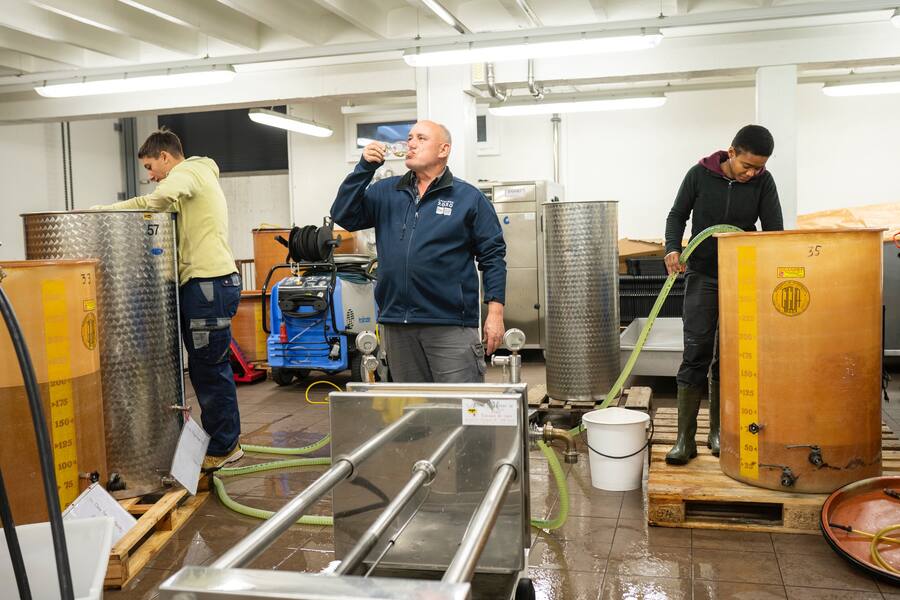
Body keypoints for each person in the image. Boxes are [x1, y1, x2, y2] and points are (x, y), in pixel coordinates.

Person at [91, 128, 243, 470]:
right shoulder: (196, 178)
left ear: (165, 157)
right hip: (205, 284)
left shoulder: (189, 172)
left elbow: (155, 202)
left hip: (207, 285)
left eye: (150, 167)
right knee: (206, 368)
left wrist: (108, 212)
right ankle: (225, 439)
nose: (150, 176)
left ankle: (225, 446)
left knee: (209, 370)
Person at [331, 120, 506, 383]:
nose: (411, 143)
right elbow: (343, 215)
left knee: (460, 403)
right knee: (414, 405)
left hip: (449, 324)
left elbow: (493, 257)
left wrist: (495, 313)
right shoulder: (386, 192)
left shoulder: (468, 198)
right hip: (397, 324)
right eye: (410, 138)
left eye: (421, 138)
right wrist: (364, 168)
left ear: (443, 149)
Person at [664, 124, 784, 465]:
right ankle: (684, 440)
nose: (752, 173)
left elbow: (774, 231)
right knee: (696, 351)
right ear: (731, 153)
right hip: (702, 274)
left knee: (730, 356)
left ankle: (717, 432)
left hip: (741, 278)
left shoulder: (764, 182)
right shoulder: (699, 175)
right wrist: (672, 247)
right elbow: (677, 215)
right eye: (747, 165)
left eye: (759, 167)